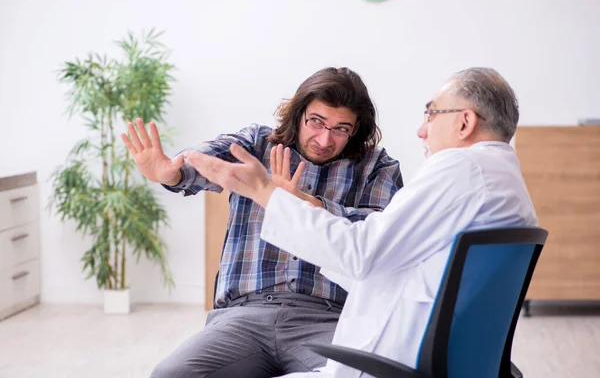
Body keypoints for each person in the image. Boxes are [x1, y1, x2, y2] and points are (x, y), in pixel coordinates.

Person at [184, 67, 539, 378]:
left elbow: (360, 253)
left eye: (430, 114)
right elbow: (384, 252)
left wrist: (267, 194)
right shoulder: (502, 177)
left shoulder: (458, 169)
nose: (421, 130)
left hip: (392, 356)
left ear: (465, 122)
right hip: (433, 354)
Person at [121, 67, 404, 378]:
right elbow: (207, 163)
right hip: (245, 315)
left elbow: (382, 234)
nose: (325, 139)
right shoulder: (258, 144)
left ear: (356, 128)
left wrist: (303, 203)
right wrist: (171, 174)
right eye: (317, 122)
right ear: (299, 114)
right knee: (170, 374)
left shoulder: (377, 166)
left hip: (330, 317)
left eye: (341, 128)